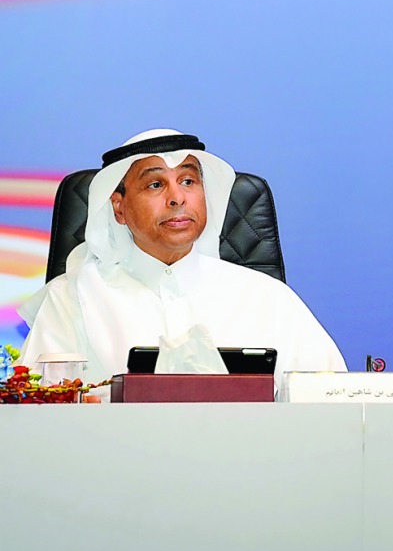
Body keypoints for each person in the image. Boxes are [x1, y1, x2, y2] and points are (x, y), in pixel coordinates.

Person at [18, 129, 347, 396]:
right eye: (156, 184)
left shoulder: (269, 298)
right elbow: (38, 414)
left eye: (188, 181)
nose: (177, 198)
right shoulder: (72, 298)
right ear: (118, 207)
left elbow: (331, 401)